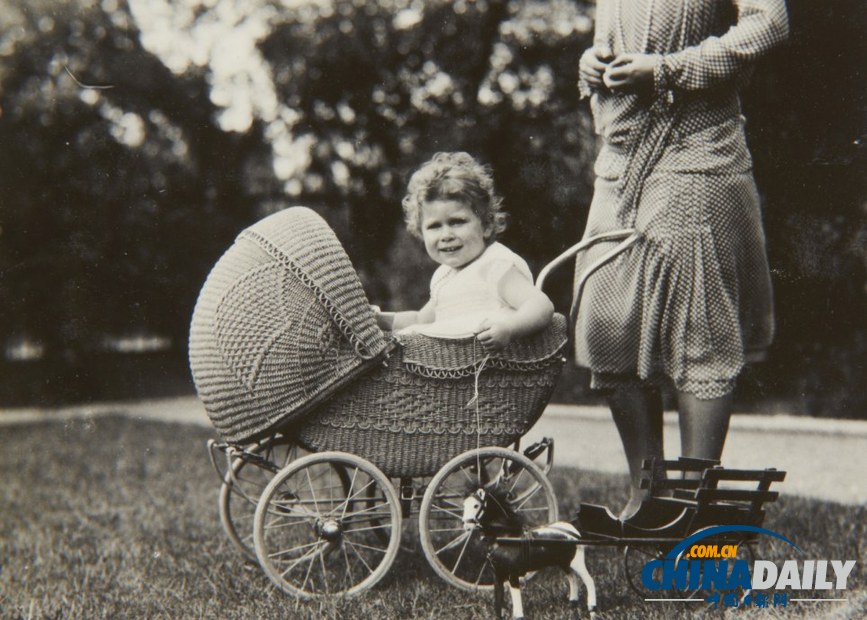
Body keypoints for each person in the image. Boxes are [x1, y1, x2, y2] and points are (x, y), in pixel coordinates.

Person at [574, 0, 789, 518]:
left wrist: (668, 68)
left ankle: (695, 505)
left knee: (700, 332)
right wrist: (591, 65)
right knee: (604, 322)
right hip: (622, 158)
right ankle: (648, 496)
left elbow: (769, 22)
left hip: (697, 151)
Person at [375, 152, 554, 351]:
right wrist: (380, 320)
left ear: (486, 225)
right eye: (434, 226)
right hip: (452, 372)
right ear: (421, 232)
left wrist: (509, 329)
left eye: (457, 222)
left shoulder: (495, 265)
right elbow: (420, 319)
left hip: (494, 369)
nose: (446, 235)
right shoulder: (445, 276)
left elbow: (540, 304)